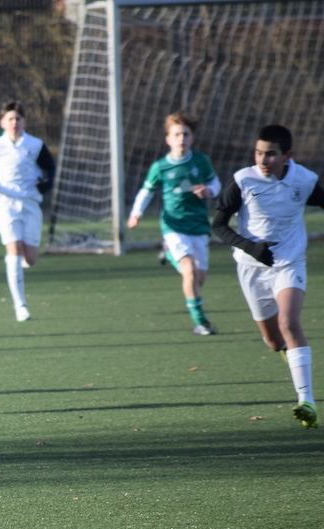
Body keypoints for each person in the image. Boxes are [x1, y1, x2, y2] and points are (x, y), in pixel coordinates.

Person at [211, 124, 324, 428]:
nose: (262, 159)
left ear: (288, 155)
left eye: (270, 154)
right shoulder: (242, 180)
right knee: (274, 341)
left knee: (289, 322)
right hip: (252, 267)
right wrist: (251, 247)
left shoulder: (305, 180)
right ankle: (287, 353)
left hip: (289, 262)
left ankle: (307, 401)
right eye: (259, 152)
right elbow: (218, 225)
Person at [128, 111, 221, 335]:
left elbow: (215, 184)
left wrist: (209, 191)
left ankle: (169, 254)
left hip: (198, 224)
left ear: (192, 138)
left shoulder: (201, 161)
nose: (182, 139)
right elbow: (146, 192)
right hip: (174, 226)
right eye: (177, 134)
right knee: (189, 272)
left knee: (198, 279)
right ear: (168, 139)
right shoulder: (160, 167)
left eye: (185, 134)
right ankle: (200, 322)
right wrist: (136, 213)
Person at [0, 100, 56, 322]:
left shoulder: (35, 145)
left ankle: (23, 261)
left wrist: (46, 184)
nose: (14, 122)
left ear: (24, 122)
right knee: (13, 250)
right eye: (10, 119)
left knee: (30, 258)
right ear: (2, 122)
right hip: (6, 204)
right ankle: (20, 305)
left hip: (30, 204)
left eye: (18, 119)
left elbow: (50, 168)